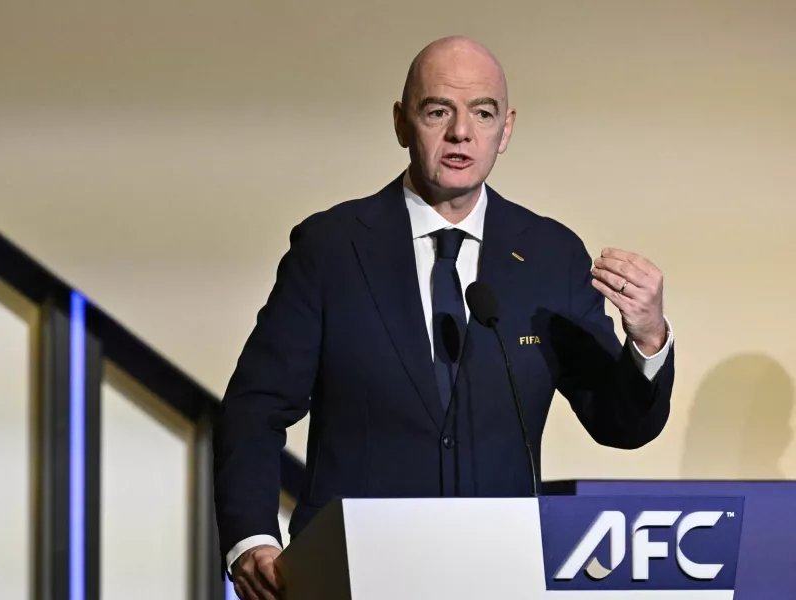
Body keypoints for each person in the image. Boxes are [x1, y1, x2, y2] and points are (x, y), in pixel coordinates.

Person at [212, 35, 674, 600]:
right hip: (353, 573)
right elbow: (255, 406)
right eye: (438, 112)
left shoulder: (551, 256)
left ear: (505, 130)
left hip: (499, 574)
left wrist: (649, 336)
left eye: (483, 113)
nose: (461, 133)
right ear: (402, 124)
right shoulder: (331, 247)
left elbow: (620, 424)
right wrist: (252, 538)